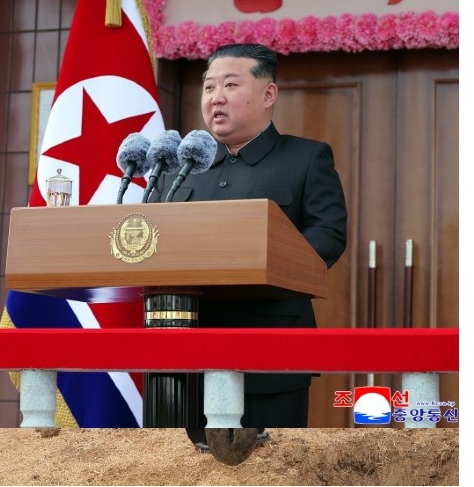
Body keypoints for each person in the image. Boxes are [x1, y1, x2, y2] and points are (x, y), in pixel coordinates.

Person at [147, 43, 348, 451]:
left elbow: (328, 234)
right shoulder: (181, 170)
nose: (215, 98)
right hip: (182, 356)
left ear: (268, 94)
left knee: (270, 470)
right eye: (208, 87)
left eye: (230, 85)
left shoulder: (306, 158)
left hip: (270, 352)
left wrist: (264, 262)